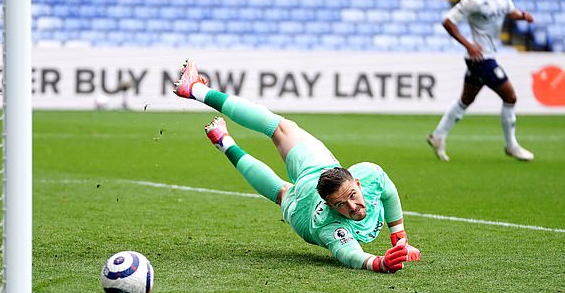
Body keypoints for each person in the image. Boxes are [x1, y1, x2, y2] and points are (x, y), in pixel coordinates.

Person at [174, 59, 421, 273]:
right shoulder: (331, 224)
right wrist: (380, 262)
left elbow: (387, 191)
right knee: (281, 177)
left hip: (305, 209)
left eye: (352, 196)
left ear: (357, 182)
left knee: (281, 144)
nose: (353, 207)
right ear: (328, 204)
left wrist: (399, 242)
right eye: (341, 205)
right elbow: (352, 256)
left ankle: (219, 131)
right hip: (309, 200)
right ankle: (210, 117)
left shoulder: (363, 180)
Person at [427, 0, 535, 162]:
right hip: (481, 59)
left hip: (485, 57)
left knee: (465, 100)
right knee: (510, 97)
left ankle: (438, 136)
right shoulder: (473, 0)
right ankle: (512, 145)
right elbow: (448, 22)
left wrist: (522, 15)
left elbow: (508, 11)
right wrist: (469, 44)